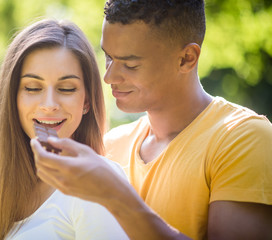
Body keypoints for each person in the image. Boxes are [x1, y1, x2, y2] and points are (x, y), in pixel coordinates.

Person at [31, 1, 272, 239]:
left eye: (130, 64)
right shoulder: (112, 145)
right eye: (108, 57)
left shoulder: (244, 138)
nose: (108, 76)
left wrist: (115, 196)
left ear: (186, 58)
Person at [0, 19, 129, 240]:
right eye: (33, 87)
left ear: (86, 101)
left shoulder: (95, 183)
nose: (49, 104)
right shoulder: (15, 191)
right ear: (12, 99)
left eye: (66, 88)